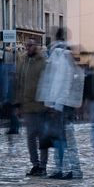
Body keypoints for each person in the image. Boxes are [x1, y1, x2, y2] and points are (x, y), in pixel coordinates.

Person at [37, 28, 84, 179]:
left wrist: (55, 104)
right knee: (60, 137)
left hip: (62, 104)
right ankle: (61, 168)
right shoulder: (59, 54)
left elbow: (61, 81)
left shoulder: (62, 54)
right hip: (60, 103)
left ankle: (72, 169)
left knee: (66, 138)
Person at [15, 37, 49, 177]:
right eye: (26, 46)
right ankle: (35, 164)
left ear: (37, 46)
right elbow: (19, 83)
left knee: (42, 138)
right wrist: (18, 104)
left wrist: (49, 104)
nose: (28, 48)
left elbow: (48, 83)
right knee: (30, 137)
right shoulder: (23, 62)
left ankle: (43, 165)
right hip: (27, 106)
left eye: (31, 45)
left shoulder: (44, 62)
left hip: (41, 106)